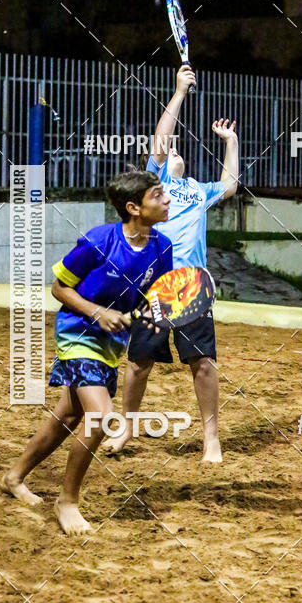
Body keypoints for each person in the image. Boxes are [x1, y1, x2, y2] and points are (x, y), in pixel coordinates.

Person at [0, 170, 172, 535]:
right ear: (133, 208)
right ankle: (68, 502)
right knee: (101, 419)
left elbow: (157, 297)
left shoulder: (163, 247)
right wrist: (97, 311)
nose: (167, 200)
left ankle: (13, 477)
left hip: (111, 345)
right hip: (78, 334)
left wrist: (148, 315)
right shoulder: (99, 241)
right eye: (157, 195)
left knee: (68, 416)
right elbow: (60, 288)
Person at [104, 65, 238, 463]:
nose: (173, 152)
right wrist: (179, 91)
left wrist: (230, 141)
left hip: (192, 285)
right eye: (169, 153)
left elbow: (230, 184)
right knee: (140, 363)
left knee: (202, 362)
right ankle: (127, 429)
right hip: (155, 285)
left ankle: (211, 439)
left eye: (180, 151)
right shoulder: (157, 183)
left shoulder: (198, 190)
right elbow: (162, 140)